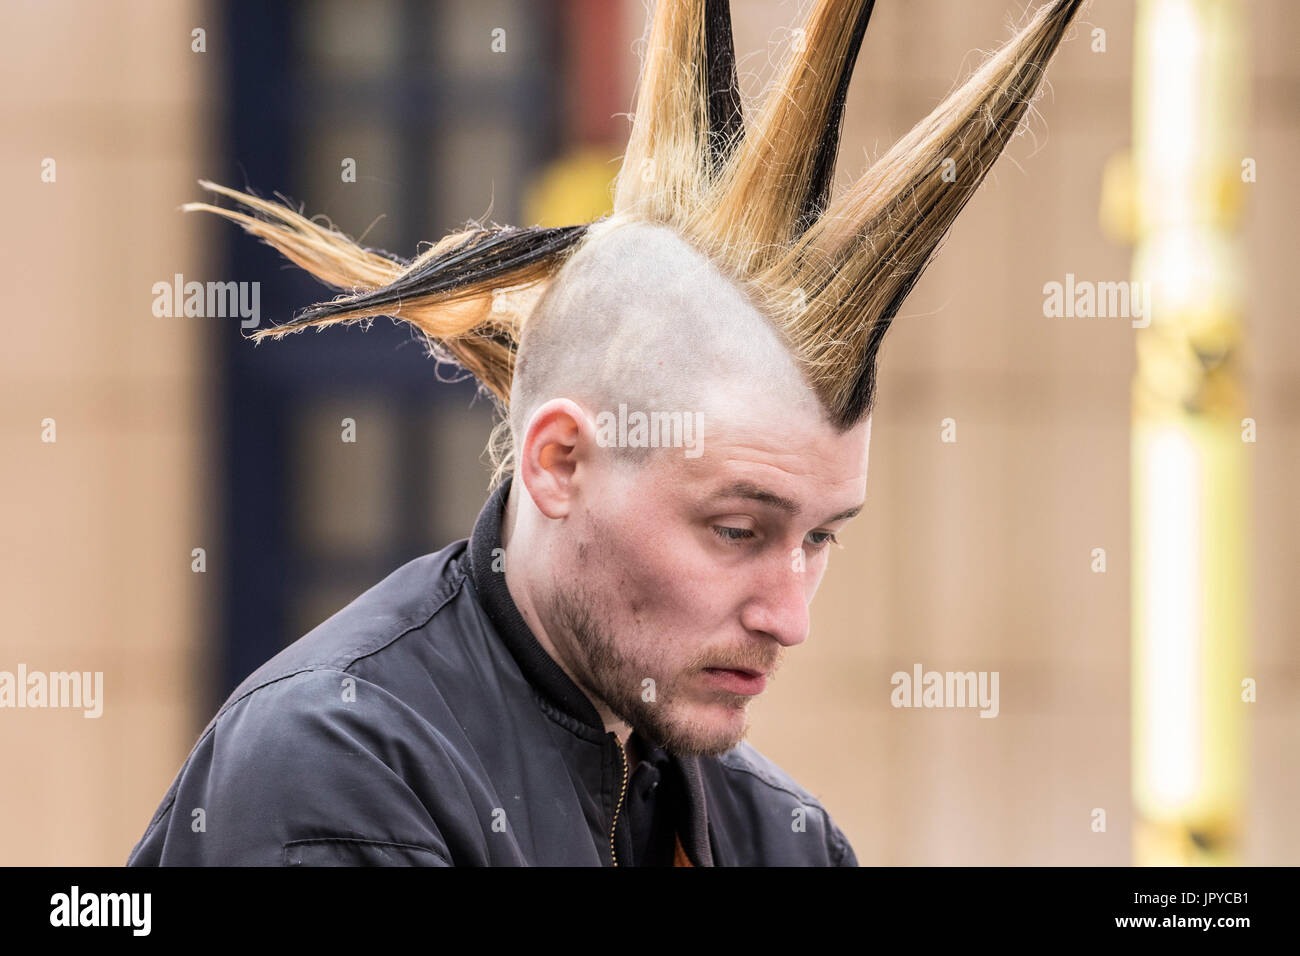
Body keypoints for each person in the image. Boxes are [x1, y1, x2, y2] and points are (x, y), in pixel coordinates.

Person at [129, 0, 1083, 866]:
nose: (790, 618)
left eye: (820, 537)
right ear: (559, 462)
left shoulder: (781, 840)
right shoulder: (335, 769)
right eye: (738, 529)